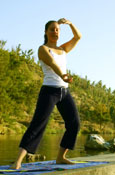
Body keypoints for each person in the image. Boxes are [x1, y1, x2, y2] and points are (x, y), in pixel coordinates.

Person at [11, 18, 82, 169]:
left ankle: (60, 157)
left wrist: (70, 24)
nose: (55, 31)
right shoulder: (43, 49)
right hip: (49, 91)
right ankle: (18, 161)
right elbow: (52, 63)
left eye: (57, 29)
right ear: (45, 32)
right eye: (52, 29)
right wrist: (63, 75)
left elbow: (78, 37)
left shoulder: (63, 49)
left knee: (74, 123)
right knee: (38, 124)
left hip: (64, 91)